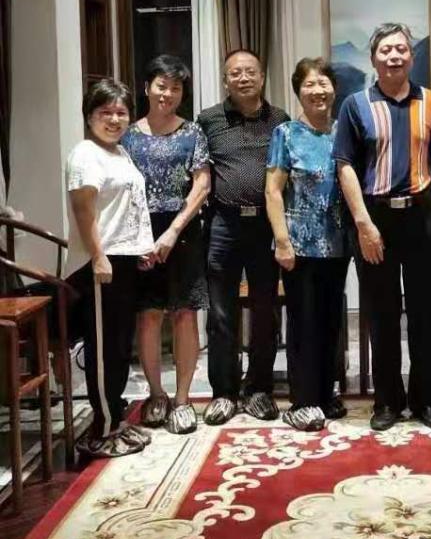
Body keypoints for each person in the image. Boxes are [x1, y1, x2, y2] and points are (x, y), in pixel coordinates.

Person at [333, 22, 431, 432]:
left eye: (401, 49)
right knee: (381, 314)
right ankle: (387, 401)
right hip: (374, 218)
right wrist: (363, 224)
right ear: (373, 58)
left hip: (422, 216)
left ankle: (426, 400)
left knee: (426, 313)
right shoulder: (355, 105)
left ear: (411, 56)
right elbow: (345, 165)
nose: (394, 56)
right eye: (385, 50)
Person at [197, 49, 289, 425]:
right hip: (224, 224)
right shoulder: (208, 120)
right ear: (226, 81)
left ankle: (259, 389)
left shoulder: (280, 120)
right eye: (235, 73)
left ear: (262, 77)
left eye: (251, 71)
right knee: (221, 313)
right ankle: (224, 392)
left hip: (266, 225)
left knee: (266, 311)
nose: (244, 78)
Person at [122, 55, 211, 435]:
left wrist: (173, 231)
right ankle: (157, 395)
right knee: (149, 314)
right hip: (139, 234)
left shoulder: (193, 133)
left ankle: (183, 399)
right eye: (161, 85)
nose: (168, 94)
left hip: (183, 231)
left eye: (175, 88)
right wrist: (140, 237)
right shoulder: (127, 135)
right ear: (147, 88)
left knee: (185, 313)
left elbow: (202, 185)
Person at [65, 79, 154, 457]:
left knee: (119, 346)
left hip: (124, 259)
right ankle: (100, 431)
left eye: (121, 112)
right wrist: (98, 255)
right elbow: (83, 209)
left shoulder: (119, 153)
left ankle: (115, 421)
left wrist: (142, 247)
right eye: (106, 112)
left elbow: (129, 207)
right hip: (101, 262)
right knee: (103, 350)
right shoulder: (85, 154)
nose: (115, 119)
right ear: (90, 117)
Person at [265, 58, 349, 431]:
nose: (318, 91)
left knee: (331, 321)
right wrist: (282, 241)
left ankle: (326, 394)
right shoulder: (285, 134)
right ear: (298, 91)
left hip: (338, 244)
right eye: (309, 85)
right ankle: (303, 400)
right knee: (303, 322)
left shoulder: (344, 131)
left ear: (334, 89)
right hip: (298, 246)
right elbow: (273, 191)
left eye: (323, 83)